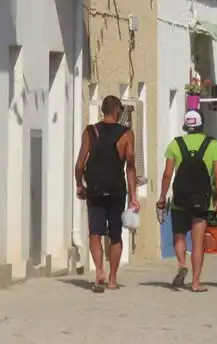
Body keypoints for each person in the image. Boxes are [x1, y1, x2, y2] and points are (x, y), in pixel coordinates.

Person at [74, 95, 138, 291]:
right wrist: (133, 196)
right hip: (117, 190)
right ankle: (112, 279)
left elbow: (79, 165)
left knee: (95, 232)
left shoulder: (90, 131)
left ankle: (99, 269)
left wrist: (79, 184)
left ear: (103, 110)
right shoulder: (127, 134)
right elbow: (130, 167)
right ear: (117, 111)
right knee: (115, 234)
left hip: (94, 189)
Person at [157, 110, 217, 291]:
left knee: (179, 236)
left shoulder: (175, 144)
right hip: (202, 200)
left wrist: (162, 196)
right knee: (197, 241)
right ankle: (195, 282)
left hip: (180, 198)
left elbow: (167, 174)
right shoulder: (213, 145)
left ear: (186, 126)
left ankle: (181, 263)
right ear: (201, 124)